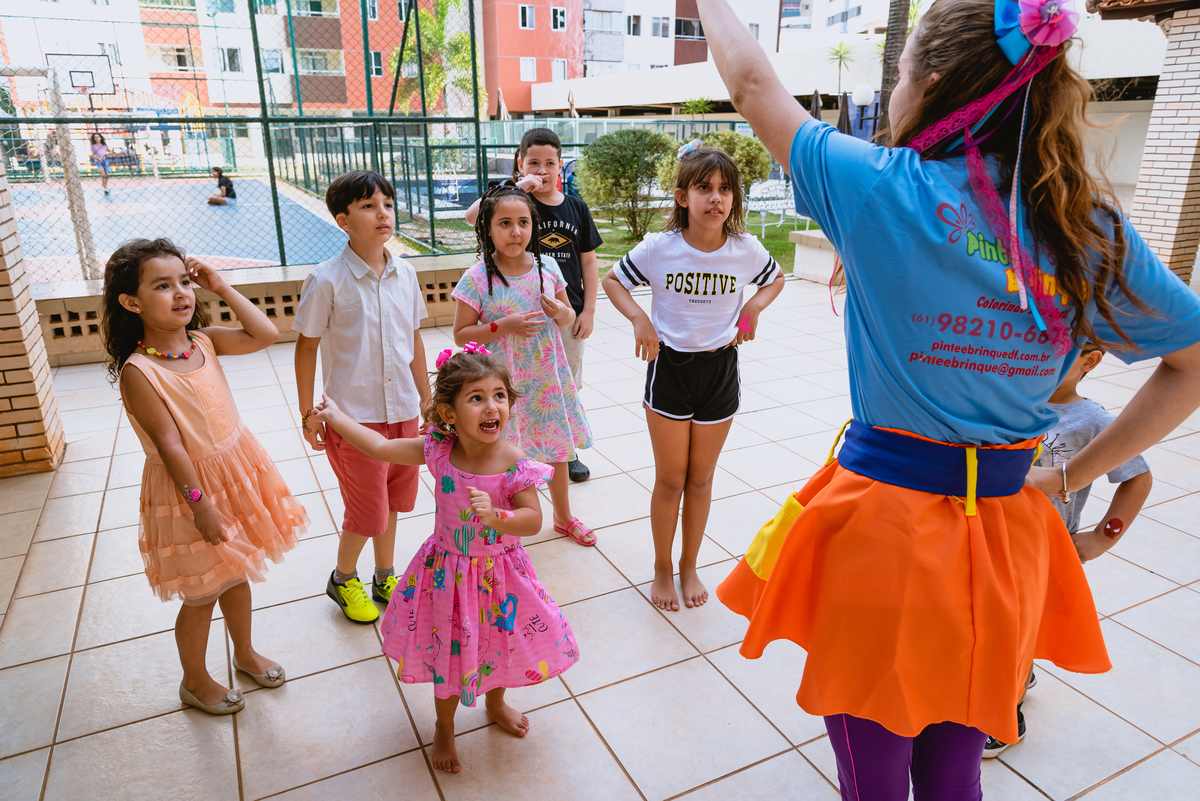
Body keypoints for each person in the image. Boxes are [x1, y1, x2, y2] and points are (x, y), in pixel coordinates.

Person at [695, 0, 1200, 797]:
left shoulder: (876, 187)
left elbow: (752, 81)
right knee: (957, 764)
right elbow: (1191, 366)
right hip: (1005, 539)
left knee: (873, 772)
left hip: (882, 533)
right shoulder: (1085, 226)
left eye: (898, 76)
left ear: (928, 85)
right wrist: (1070, 474)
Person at [309, 346, 579, 774]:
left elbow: (533, 520)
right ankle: (445, 726)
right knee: (449, 657)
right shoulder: (438, 450)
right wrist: (337, 417)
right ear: (448, 413)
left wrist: (497, 517)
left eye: (499, 396)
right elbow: (380, 447)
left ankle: (497, 703)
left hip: (500, 578)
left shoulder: (513, 462)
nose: (492, 407)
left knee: (501, 647)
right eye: (476, 397)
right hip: (447, 577)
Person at [101, 238, 307, 715]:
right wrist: (201, 505)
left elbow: (265, 335)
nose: (181, 293)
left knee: (235, 576)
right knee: (200, 593)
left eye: (184, 282)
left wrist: (222, 286)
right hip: (190, 492)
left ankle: (245, 652)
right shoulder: (141, 371)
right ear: (132, 302)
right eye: (162, 285)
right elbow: (171, 447)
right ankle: (194, 680)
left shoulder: (203, 341)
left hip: (235, 472)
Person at [602, 145, 784, 611]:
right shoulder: (660, 248)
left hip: (720, 371)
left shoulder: (746, 250)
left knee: (701, 480)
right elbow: (612, 280)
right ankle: (662, 567)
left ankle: (688, 565)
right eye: (704, 188)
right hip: (670, 370)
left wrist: (753, 306)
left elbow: (774, 279)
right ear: (683, 196)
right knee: (671, 479)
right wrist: (640, 320)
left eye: (725, 189)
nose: (716, 198)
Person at [983, 341, 1153, 757]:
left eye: (1052, 352)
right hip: (991, 539)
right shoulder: (1004, 398)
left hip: (1044, 550)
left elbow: (1138, 477)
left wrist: (1102, 536)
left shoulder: (1091, 421)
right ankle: (1020, 670)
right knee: (997, 622)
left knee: (1020, 627)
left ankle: (1007, 713)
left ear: (1090, 360)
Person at [293, 170, 431, 624]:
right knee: (366, 510)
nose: (383, 214)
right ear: (343, 220)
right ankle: (343, 576)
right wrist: (309, 412)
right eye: (369, 206)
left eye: (387, 204)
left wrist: (428, 402)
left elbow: (413, 339)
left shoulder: (406, 272)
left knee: (393, 503)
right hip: (354, 418)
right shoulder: (327, 279)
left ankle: (384, 574)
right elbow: (307, 345)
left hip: (404, 412)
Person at [452, 184, 595, 545]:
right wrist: (504, 326)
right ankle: (502, 521)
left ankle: (563, 517)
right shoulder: (477, 278)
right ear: (487, 228)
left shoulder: (547, 268)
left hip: (546, 379)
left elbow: (568, 315)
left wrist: (564, 312)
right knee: (502, 454)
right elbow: (461, 333)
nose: (516, 232)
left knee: (558, 450)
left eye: (523, 222)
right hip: (498, 389)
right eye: (504, 223)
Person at [465, 129, 602, 483]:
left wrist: (586, 310)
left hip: (561, 314)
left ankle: (564, 448)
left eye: (550, 164)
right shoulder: (512, 199)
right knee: (515, 391)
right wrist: (519, 186)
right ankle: (520, 450)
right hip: (514, 316)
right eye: (533, 163)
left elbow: (589, 261)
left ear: (560, 166)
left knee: (564, 381)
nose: (542, 170)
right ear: (520, 164)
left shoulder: (576, 207)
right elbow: (473, 216)